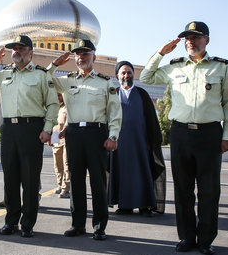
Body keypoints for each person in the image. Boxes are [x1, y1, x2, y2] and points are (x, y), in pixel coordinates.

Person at [140, 21, 228, 255]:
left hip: (209, 134)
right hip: (181, 133)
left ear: (207, 40)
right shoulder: (174, 67)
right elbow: (146, 76)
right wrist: (160, 53)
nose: (190, 42)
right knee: (183, 190)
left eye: (195, 37)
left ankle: (205, 239)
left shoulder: (221, 67)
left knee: (209, 190)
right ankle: (186, 237)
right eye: (187, 38)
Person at [0, 35, 58, 238]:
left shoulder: (42, 75)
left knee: (30, 179)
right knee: (10, 179)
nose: (16, 51)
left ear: (30, 52)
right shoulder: (4, 74)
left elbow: (52, 104)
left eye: (20, 48)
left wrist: (48, 128)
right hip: (9, 130)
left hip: (32, 129)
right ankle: (11, 221)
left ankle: (27, 223)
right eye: (13, 49)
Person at [49, 40, 121, 240]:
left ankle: (99, 226)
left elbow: (115, 112)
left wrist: (113, 135)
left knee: (98, 182)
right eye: (78, 54)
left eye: (85, 54)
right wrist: (55, 64)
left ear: (94, 57)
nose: (81, 57)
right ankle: (77, 224)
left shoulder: (105, 82)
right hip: (73, 134)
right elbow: (43, 77)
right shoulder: (67, 80)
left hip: (96, 134)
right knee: (77, 182)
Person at [109, 61, 166, 216]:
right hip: (119, 144)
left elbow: (152, 121)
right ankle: (125, 205)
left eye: (129, 72)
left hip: (141, 144)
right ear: (117, 76)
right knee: (122, 174)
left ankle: (145, 205)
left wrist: (151, 142)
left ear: (133, 74)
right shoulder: (113, 94)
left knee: (142, 173)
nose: (126, 75)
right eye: (123, 73)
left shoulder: (142, 94)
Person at [51, 93, 70, 198]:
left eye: (59, 95)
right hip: (55, 136)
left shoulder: (67, 107)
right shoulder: (53, 107)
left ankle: (66, 189)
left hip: (65, 137)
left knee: (66, 164)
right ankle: (59, 184)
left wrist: (64, 131)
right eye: (56, 95)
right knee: (57, 164)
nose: (58, 97)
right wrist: (50, 138)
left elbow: (68, 122)